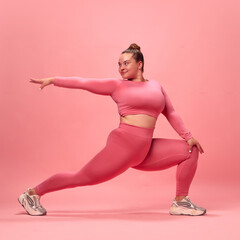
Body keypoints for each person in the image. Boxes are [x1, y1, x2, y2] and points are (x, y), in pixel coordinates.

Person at [18, 43, 205, 217]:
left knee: (190, 150)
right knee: (82, 177)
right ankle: (32, 193)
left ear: (140, 64)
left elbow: (171, 112)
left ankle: (181, 202)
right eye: (119, 64)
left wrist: (188, 137)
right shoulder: (117, 85)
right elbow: (83, 82)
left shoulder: (156, 86)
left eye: (126, 63)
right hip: (123, 145)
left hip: (144, 149)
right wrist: (53, 80)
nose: (121, 67)